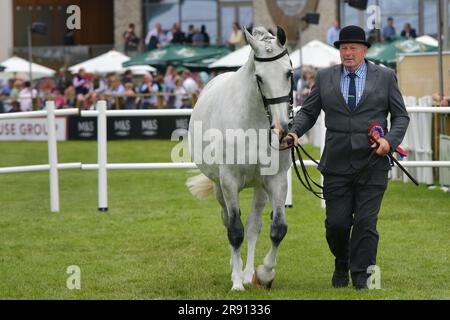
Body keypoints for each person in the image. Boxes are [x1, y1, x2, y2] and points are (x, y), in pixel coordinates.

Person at [281, 25, 410, 289]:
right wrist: (294, 133)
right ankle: (342, 260)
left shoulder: (385, 77)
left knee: (365, 222)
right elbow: (309, 111)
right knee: (336, 225)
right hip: (336, 163)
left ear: (364, 50)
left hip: (373, 163)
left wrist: (389, 141)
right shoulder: (326, 76)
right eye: (343, 48)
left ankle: (361, 278)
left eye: (353, 48)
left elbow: (401, 117)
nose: (348, 53)